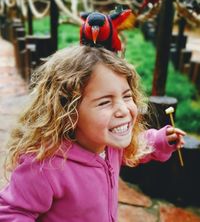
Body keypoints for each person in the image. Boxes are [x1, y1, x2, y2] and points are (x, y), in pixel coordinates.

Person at [0, 45, 185, 222]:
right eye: (105, 102)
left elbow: (137, 143)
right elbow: (12, 213)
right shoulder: (44, 167)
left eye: (127, 96)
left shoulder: (110, 145)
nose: (123, 109)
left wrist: (160, 140)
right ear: (68, 111)